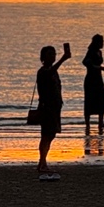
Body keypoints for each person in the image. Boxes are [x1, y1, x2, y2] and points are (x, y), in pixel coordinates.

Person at [36, 41, 72, 177]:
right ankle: (42, 163)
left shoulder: (51, 71)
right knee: (46, 135)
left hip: (54, 107)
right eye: (50, 54)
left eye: (54, 54)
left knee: (50, 135)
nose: (53, 56)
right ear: (43, 57)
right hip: (47, 108)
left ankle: (42, 162)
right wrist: (64, 58)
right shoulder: (43, 71)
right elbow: (50, 72)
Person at [82, 35, 104, 127]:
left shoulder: (99, 52)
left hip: (98, 78)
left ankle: (101, 122)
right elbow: (85, 62)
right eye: (101, 42)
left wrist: (99, 68)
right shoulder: (91, 52)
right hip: (91, 79)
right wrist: (99, 67)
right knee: (89, 100)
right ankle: (87, 124)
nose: (103, 44)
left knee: (101, 99)